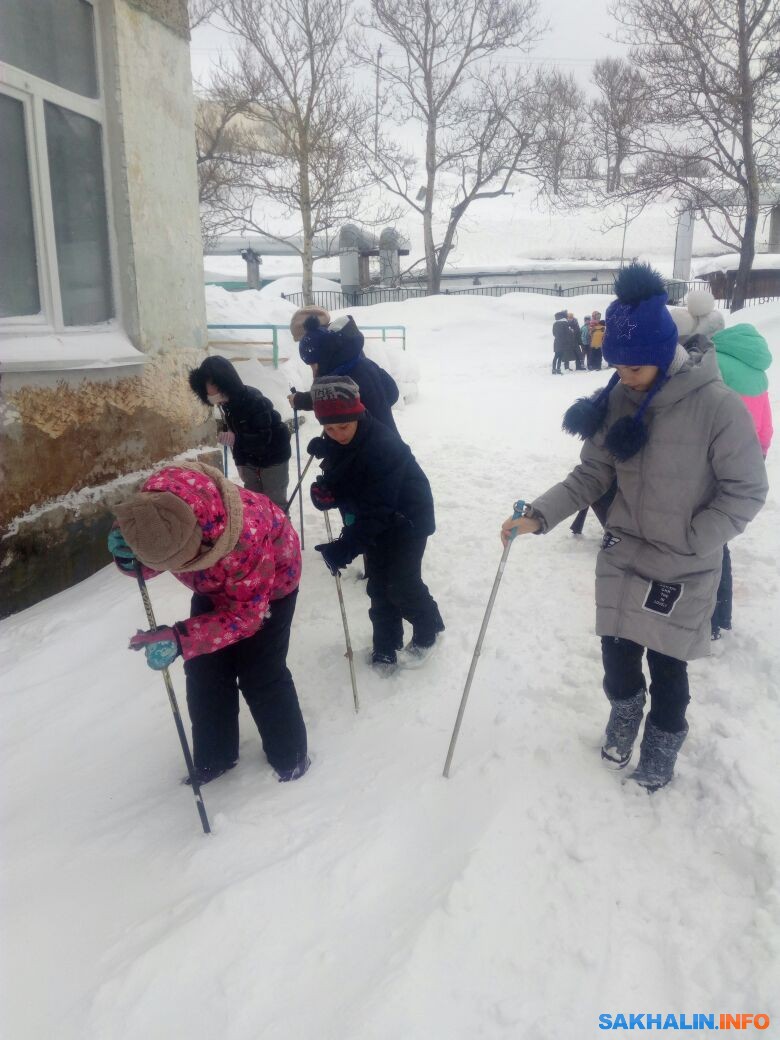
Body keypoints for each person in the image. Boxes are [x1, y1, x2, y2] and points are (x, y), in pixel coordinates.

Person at [501, 263, 767, 791]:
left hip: (682, 565)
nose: (621, 378)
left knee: (668, 670)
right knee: (617, 660)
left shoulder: (717, 407)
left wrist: (696, 537)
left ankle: (663, 742)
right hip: (625, 554)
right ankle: (624, 713)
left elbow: (746, 491)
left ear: (665, 353)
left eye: (633, 369)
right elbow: (592, 473)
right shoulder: (619, 400)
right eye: (616, 368)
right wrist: (539, 514)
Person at [107, 461, 309, 785]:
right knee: (204, 668)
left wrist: (181, 638)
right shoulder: (155, 511)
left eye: (183, 560)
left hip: (268, 590)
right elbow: (161, 552)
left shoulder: (246, 535)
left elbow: (246, 617)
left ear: (200, 538)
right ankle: (215, 757)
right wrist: (132, 558)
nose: (177, 568)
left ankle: (290, 756)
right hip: (213, 585)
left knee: (261, 672)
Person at [307, 375, 444, 672]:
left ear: (358, 414)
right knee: (379, 587)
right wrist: (326, 494)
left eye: (343, 426)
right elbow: (351, 484)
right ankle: (386, 644)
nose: (337, 434)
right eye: (329, 429)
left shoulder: (382, 445)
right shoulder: (340, 443)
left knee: (401, 584)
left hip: (408, 519)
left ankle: (429, 630)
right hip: (378, 520)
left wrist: (346, 547)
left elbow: (377, 507)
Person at [710, 320, 773, 639]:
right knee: (719, 539)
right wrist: (756, 459)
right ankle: (723, 614)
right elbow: (766, 427)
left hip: (715, 461)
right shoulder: (759, 373)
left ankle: (707, 619)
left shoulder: (715, 362)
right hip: (747, 463)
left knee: (707, 539)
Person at [189, 356, 291, 507]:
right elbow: (236, 436)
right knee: (254, 504)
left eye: (211, 385)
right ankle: (261, 530)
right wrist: (240, 463)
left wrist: (237, 439)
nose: (208, 391)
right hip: (250, 459)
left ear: (225, 381)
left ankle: (281, 530)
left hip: (274, 457)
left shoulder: (254, 400)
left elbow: (264, 438)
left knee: (275, 506)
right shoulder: (227, 404)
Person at [289, 313, 400, 432]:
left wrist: (299, 400)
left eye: (313, 364)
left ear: (325, 358)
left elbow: (329, 398)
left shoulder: (344, 376)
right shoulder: (360, 361)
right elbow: (392, 392)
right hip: (388, 438)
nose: (313, 370)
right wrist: (380, 406)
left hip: (367, 443)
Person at [552, 310, 576, 374]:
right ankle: (558, 369)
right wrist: (571, 331)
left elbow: (554, 333)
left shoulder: (555, 323)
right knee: (560, 356)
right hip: (563, 342)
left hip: (556, 342)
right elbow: (567, 333)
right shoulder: (565, 323)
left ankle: (553, 369)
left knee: (556, 356)